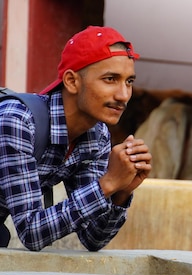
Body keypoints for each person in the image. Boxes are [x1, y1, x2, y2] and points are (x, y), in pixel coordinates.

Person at [0, 26, 152, 251]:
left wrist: (121, 191)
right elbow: (31, 232)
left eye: (129, 81)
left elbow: (93, 238)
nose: (123, 95)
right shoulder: (18, 121)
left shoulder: (97, 136)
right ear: (71, 81)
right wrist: (107, 183)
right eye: (110, 79)